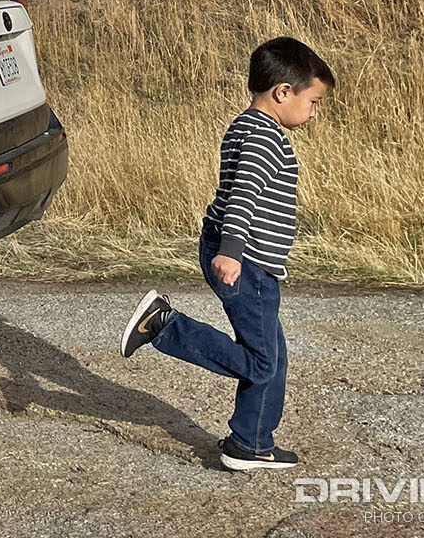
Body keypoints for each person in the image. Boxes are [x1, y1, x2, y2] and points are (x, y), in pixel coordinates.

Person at [118, 36, 333, 471]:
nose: (314, 112)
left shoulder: (247, 125)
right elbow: (243, 195)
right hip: (246, 261)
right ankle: (164, 326)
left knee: (273, 355)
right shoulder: (264, 139)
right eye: (313, 101)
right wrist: (232, 252)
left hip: (248, 258)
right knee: (262, 360)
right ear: (283, 92)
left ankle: (251, 443)